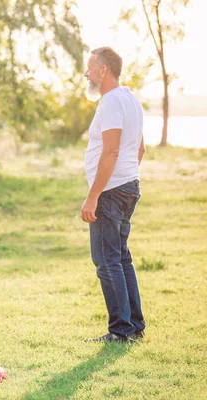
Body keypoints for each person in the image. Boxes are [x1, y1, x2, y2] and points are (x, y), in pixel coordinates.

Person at [81, 47, 146, 342]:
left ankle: (121, 331)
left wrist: (94, 195)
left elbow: (112, 150)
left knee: (107, 261)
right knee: (121, 258)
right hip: (129, 186)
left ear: (103, 70)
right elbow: (139, 149)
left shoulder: (110, 102)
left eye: (90, 67)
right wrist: (125, 178)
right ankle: (135, 326)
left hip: (111, 192)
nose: (86, 73)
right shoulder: (131, 99)